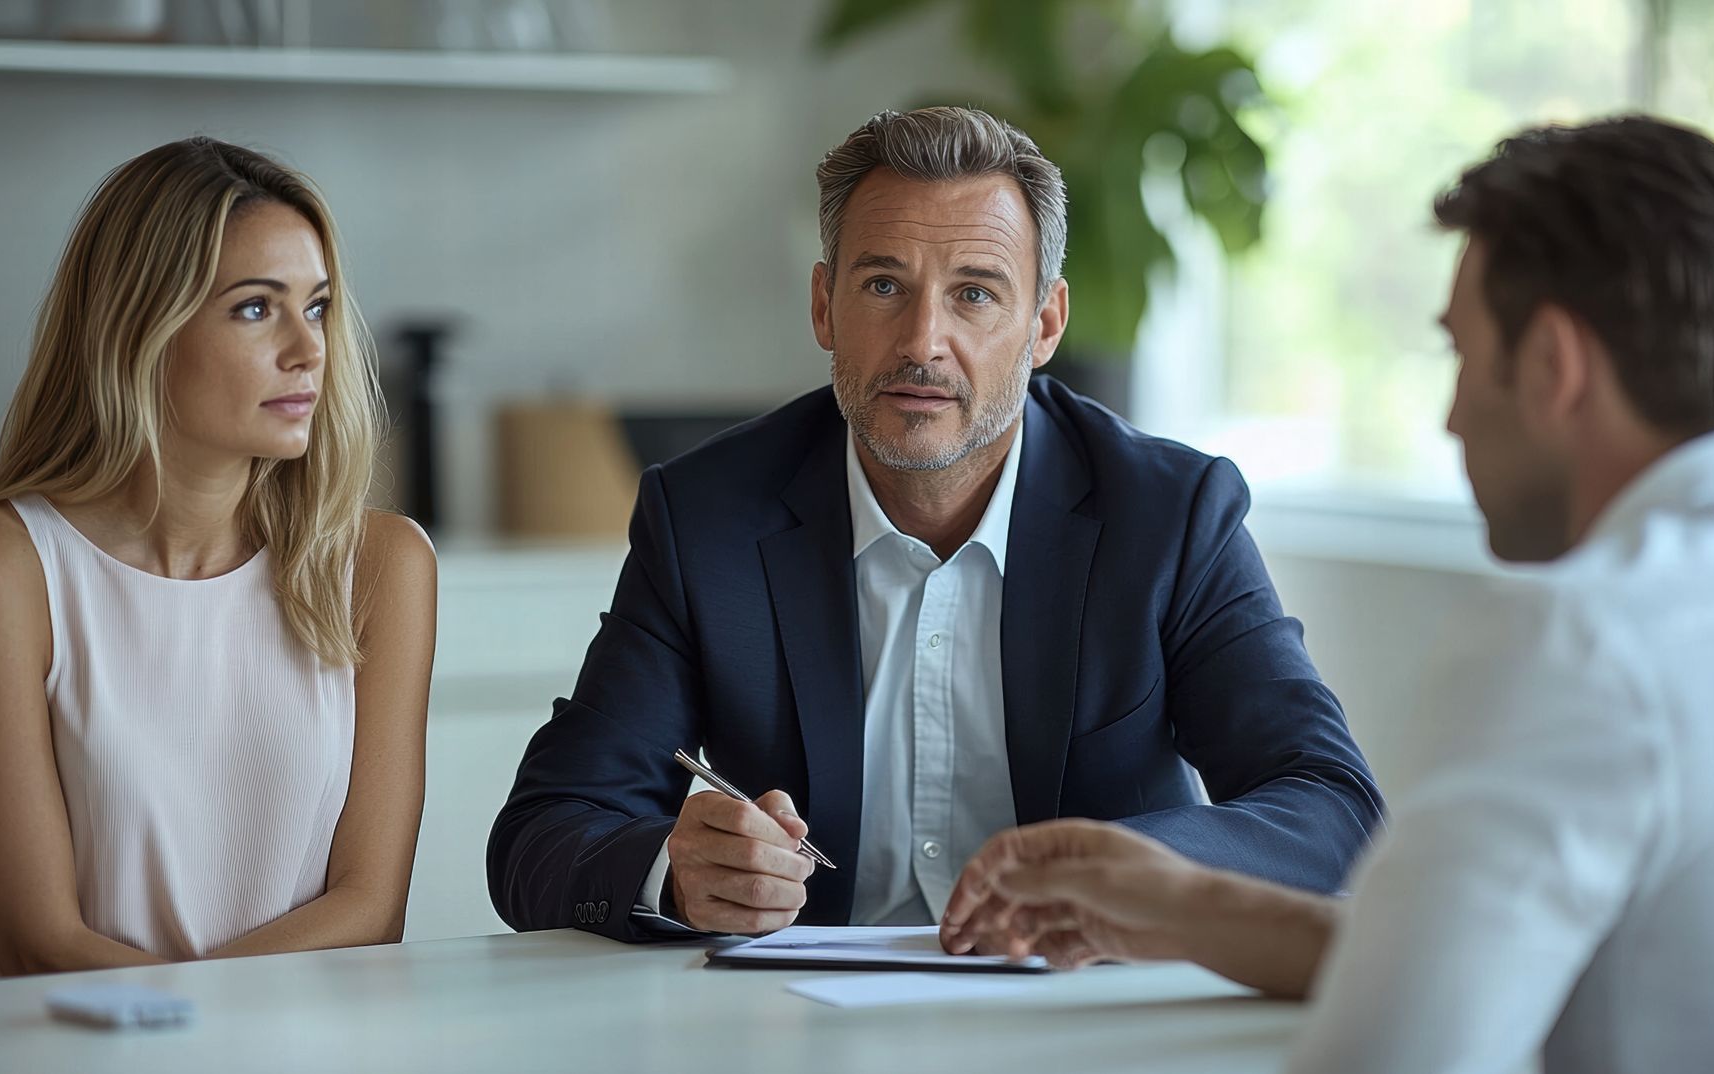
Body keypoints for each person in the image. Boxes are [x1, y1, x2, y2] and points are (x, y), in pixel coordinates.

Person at [941, 115, 1714, 1074]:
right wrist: (1192, 905)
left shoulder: (1580, 641)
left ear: (1553, 365)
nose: (1453, 416)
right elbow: (1479, 958)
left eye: (1462, 355)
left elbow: (1389, 1056)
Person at [488, 106, 1383, 943]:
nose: (923, 340)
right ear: (824, 308)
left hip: (1079, 1010)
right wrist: (675, 876)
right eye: (884, 284)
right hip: (799, 1027)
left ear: (1045, 325)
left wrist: (1140, 869)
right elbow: (544, 830)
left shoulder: (1168, 516)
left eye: (977, 295)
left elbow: (1332, 805)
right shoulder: (707, 519)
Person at [0, 138, 438, 978]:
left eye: (316, 306)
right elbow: (40, 943)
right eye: (256, 308)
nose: (309, 348)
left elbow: (369, 909)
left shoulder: (381, 567)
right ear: (141, 324)